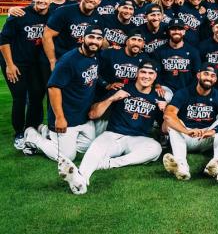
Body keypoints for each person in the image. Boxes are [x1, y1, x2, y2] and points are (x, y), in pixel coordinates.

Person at [57, 61, 164, 195]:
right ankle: (81, 180)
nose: (146, 76)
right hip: (114, 135)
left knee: (155, 148)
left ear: (155, 76)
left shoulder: (158, 97)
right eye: (143, 72)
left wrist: (165, 112)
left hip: (139, 139)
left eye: (150, 73)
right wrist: (112, 98)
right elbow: (93, 114)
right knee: (96, 147)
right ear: (137, 73)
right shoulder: (122, 89)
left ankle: (106, 164)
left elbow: (164, 129)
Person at [22, 25, 104, 161]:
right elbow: (53, 88)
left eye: (98, 38)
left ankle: (46, 132)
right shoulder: (68, 60)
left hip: (83, 116)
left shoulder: (94, 56)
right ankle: (32, 136)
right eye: (91, 37)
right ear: (82, 39)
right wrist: (59, 118)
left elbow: (93, 75)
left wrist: (107, 85)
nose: (94, 41)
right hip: (66, 116)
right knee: (68, 156)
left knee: (88, 147)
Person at [0, 0, 53, 150]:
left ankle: (32, 128)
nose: (41, 1)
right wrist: (9, 65)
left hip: (36, 65)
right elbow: (3, 41)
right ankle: (19, 133)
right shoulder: (20, 14)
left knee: (37, 96)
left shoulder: (53, 16)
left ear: (51, 0)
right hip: (16, 63)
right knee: (20, 97)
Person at [162, 63, 218, 180]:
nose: (209, 78)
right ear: (198, 75)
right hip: (186, 136)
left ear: (215, 79)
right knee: (172, 122)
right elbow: (168, 115)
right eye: (206, 74)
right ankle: (182, 166)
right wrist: (186, 131)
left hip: (206, 137)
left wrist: (214, 131)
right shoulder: (184, 92)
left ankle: (215, 162)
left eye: (213, 75)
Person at [43, 0, 102, 68]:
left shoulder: (99, 17)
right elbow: (46, 36)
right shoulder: (64, 11)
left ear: (99, 1)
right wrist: (52, 61)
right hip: (61, 59)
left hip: (82, 61)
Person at [153, 19, 201, 98]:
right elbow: (156, 72)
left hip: (186, 88)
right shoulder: (159, 51)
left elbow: (197, 74)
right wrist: (157, 85)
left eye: (180, 29)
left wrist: (191, 89)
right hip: (166, 89)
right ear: (169, 31)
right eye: (173, 29)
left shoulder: (193, 51)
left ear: (184, 31)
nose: (176, 31)